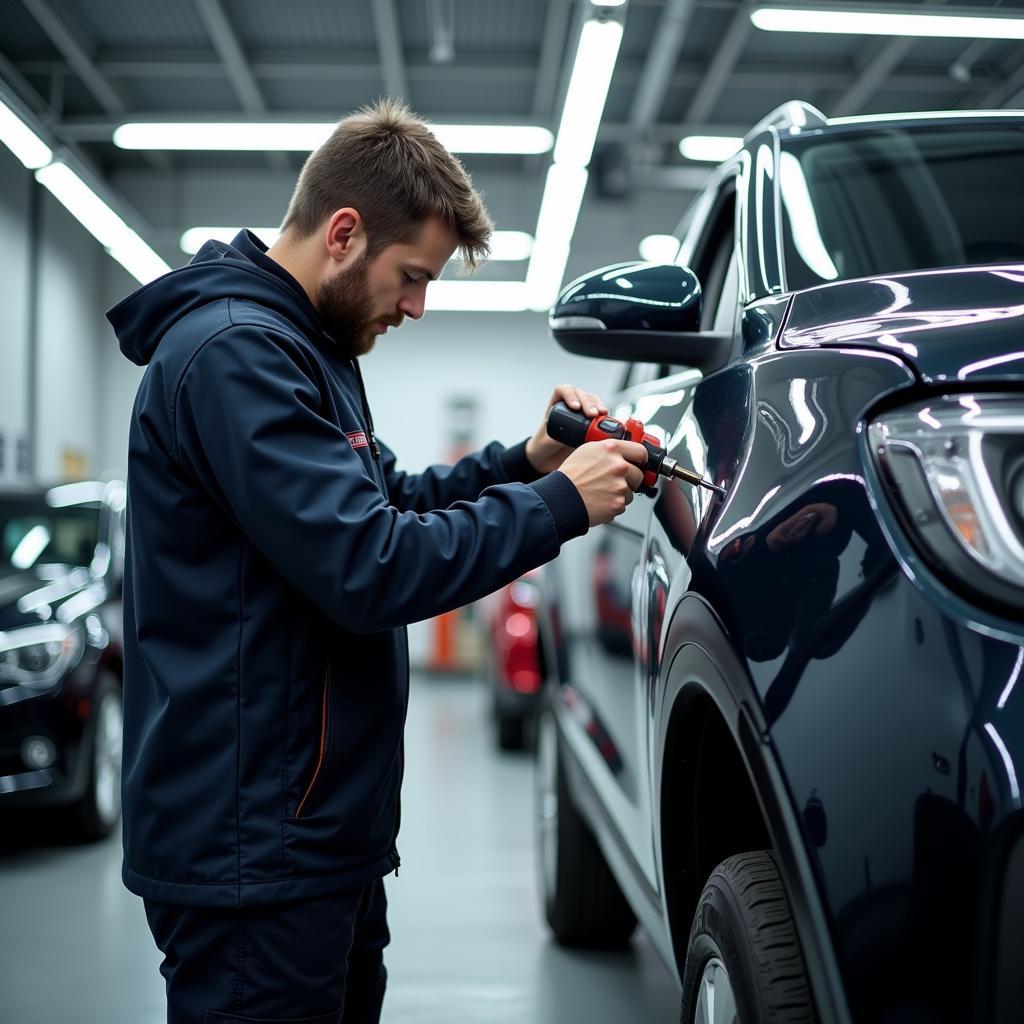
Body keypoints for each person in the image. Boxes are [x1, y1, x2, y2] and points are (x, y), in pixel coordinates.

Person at [106, 98, 646, 1024]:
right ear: (345, 233)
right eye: (412, 276)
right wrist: (564, 504)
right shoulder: (239, 355)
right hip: (256, 854)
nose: (416, 305)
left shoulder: (301, 349)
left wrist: (528, 462)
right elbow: (372, 568)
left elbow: (384, 500)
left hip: (312, 835)